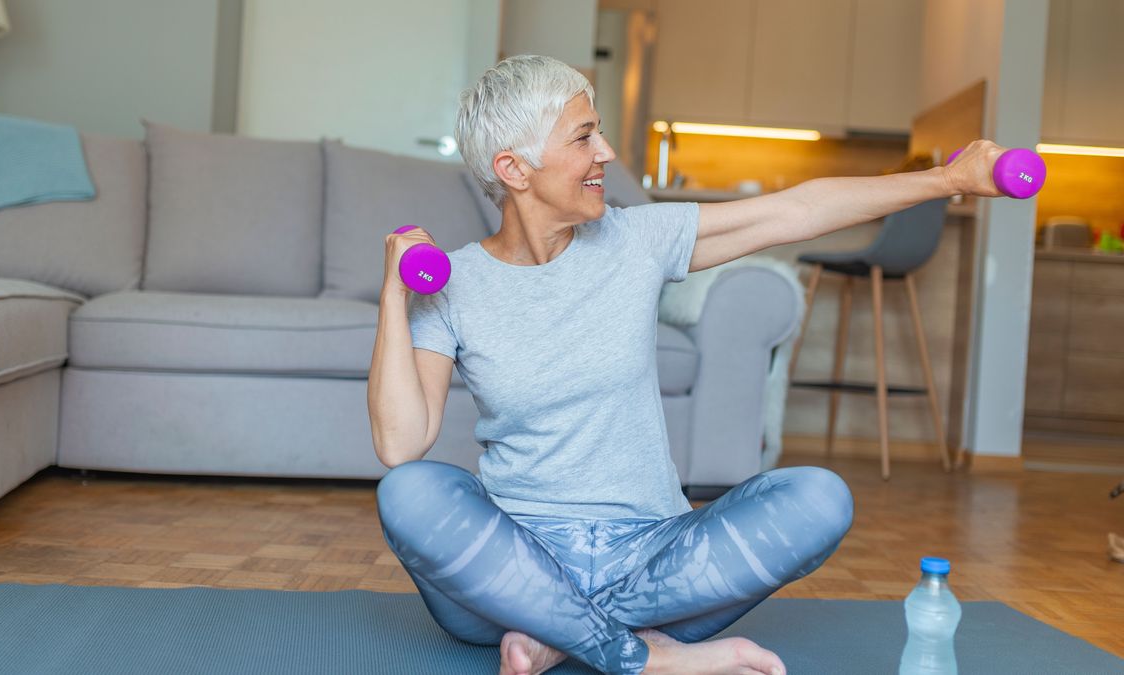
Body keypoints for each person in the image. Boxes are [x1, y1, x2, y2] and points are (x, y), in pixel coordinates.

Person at [368, 55, 1006, 675]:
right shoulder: (454, 287)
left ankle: (559, 639)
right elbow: (402, 446)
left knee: (817, 497)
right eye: (584, 136)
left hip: (654, 559)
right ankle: (642, 654)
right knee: (409, 492)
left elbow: (797, 210)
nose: (607, 154)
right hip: (511, 566)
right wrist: (396, 296)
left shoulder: (636, 239)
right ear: (514, 168)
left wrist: (949, 180)